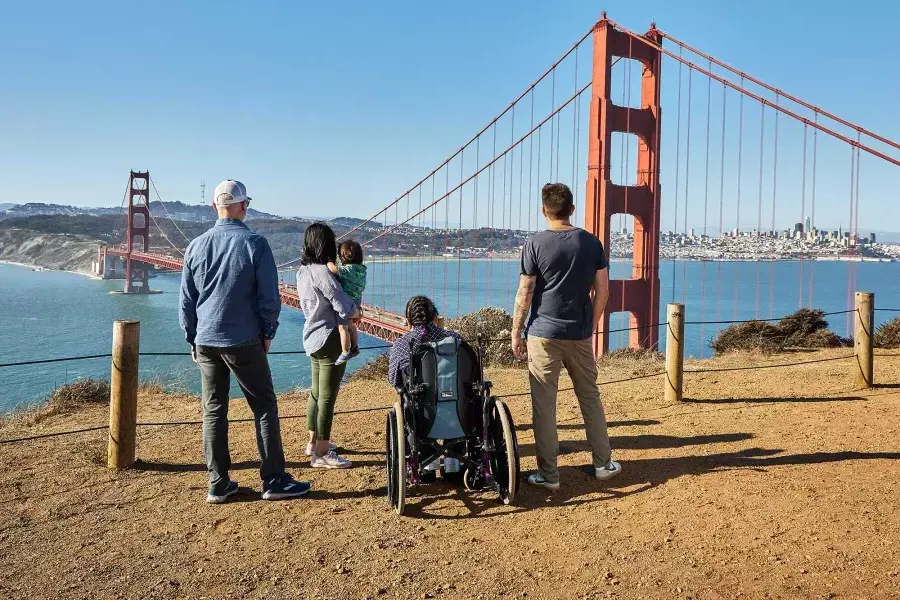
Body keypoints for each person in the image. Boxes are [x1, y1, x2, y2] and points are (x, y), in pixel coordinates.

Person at [179, 179, 311, 504]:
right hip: (244, 340)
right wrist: (268, 334)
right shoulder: (255, 244)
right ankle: (274, 480)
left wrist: (192, 340)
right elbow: (270, 297)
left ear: (214, 207)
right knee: (264, 406)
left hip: (206, 341)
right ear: (243, 206)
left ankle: (218, 483)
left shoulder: (195, 246)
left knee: (213, 411)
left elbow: (186, 302)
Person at [511, 182, 622, 491]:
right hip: (579, 334)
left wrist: (516, 331)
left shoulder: (534, 244)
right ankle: (603, 464)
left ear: (544, 210)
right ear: (572, 209)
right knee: (590, 397)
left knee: (544, 406)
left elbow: (525, 293)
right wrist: (592, 324)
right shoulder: (591, 243)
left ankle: (549, 475)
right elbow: (604, 291)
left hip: (542, 334)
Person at [296, 223, 359, 469]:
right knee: (327, 397)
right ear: (327, 244)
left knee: (316, 393)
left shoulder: (302, 272)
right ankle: (322, 453)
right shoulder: (323, 272)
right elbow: (343, 304)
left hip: (312, 338)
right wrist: (358, 311)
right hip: (330, 338)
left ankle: (313, 443)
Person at [387, 296, 462, 388]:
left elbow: (393, 379)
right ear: (435, 318)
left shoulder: (401, 344)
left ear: (409, 321)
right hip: (455, 399)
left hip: (419, 400)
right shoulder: (455, 339)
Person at [327, 240, 367, 366]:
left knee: (342, 327)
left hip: (346, 302)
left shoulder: (347, 270)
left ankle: (345, 351)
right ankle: (355, 347)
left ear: (344, 256)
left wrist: (328, 261)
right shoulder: (362, 269)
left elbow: (333, 269)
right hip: (357, 301)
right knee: (352, 326)